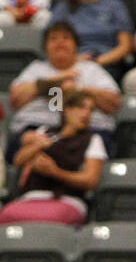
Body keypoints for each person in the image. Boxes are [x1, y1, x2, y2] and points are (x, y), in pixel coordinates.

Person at [7, 20, 121, 160]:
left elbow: (113, 103)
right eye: (53, 39)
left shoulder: (91, 70)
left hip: (87, 131)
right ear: (45, 47)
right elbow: (15, 99)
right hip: (38, 129)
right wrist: (51, 82)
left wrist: (77, 90)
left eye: (66, 38)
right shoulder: (36, 69)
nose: (60, 43)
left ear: (76, 45)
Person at [1, 88, 105, 225]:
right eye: (80, 107)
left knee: (49, 219)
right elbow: (18, 160)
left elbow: (90, 180)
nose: (86, 114)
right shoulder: (45, 131)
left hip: (68, 198)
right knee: (6, 214)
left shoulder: (93, 139)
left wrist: (55, 172)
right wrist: (37, 146)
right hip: (31, 196)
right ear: (66, 109)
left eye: (90, 110)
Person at [48, 0, 133, 75]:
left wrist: (97, 62)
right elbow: (51, 45)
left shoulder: (115, 5)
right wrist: (74, 61)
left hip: (107, 67)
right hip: (70, 67)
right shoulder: (62, 9)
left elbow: (125, 46)